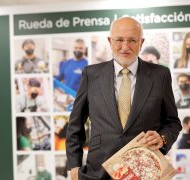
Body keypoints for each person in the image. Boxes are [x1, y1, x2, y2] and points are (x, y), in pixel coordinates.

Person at [66, 17, 182, 180]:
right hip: (97, 172)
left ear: (141, 42)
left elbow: (173, 122)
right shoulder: (91, 74)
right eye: (119, 40)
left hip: (143, 171)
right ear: (110, 41)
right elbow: (75, 125)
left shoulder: (160, 75)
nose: (125, 47)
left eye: (132, 41)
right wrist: (74, 167)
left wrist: (162, 138)